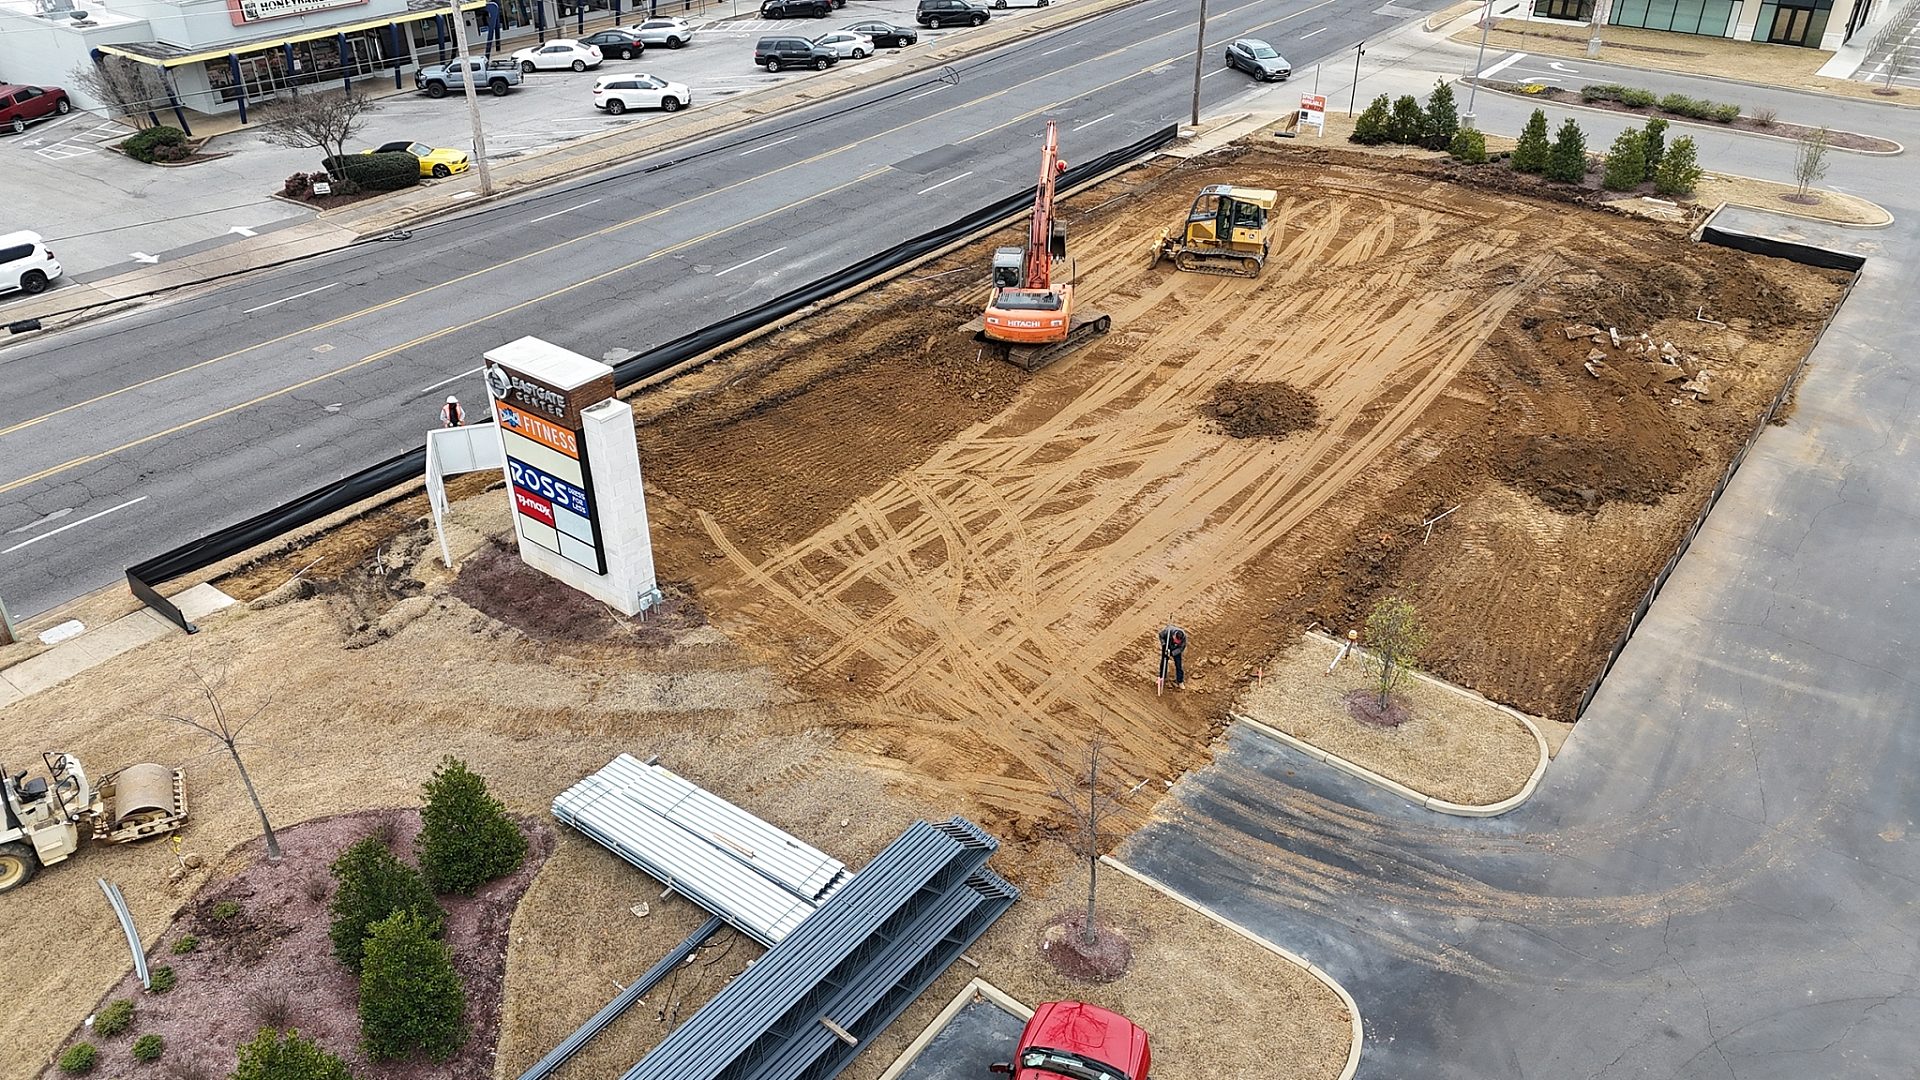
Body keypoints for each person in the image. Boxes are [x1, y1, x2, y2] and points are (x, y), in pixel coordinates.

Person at [1158, 623, 1189, 689]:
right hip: (1167, 645)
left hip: (1176, 649)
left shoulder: (1184, 638)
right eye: (1175, 640)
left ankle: (1180, 681)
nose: (1176, 641)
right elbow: (1160, 635)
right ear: (1174, 635)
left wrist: (1172, 653)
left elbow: (1181, 648)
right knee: (1164, 662)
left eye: (1178, 641)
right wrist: (1164, 644)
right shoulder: (1168, 631)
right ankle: (1161, 678)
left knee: (1178, 664)